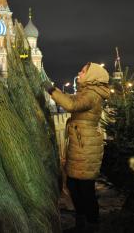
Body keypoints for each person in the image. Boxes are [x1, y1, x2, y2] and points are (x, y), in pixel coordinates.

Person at [43, 62, 110, 232]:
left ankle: (92, 225)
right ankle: (81, 222)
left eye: (83, 71)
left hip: (86, 146)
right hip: (80, 145)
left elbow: (72, 105)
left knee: (86, 190)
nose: (79, 73)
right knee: (74, 186)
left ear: (91, 76)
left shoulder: (92, 95)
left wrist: (51, 90)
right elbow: (73, 99)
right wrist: (57, 92)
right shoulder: (86, 92)